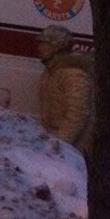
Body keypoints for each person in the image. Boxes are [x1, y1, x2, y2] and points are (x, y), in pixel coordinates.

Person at [36, 25, 93, 153]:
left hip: (71, 145)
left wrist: (61, 144)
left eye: (44, 43)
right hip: (55, 137)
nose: (39, 47)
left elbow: (77, 114)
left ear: (56, 46)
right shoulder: (52, 70)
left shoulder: (72, 74)